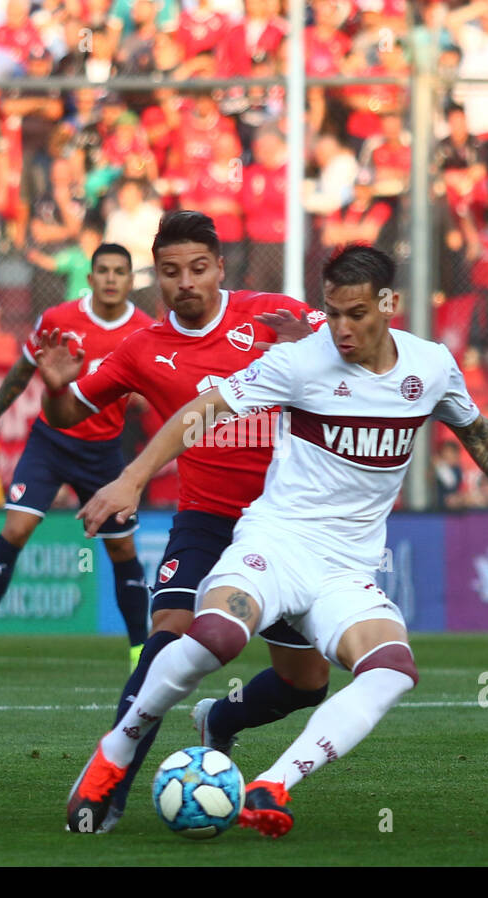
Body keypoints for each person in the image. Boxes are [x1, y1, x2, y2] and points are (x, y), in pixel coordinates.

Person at [64, 245, 488, 836]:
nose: (341, 329)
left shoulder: (430, 366)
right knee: (216, 633)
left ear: (388, 305)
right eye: (333, 312)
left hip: (347, 570)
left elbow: (474, 428)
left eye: (356, 314)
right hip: (276, 544)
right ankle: (118, 748)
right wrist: (132, 477)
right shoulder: (299, 361)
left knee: (392, 668)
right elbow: (205, 410)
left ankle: (272, 784)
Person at [33, 210, 334, 833]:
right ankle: (107, 782)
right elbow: (66, 414)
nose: (186, 282)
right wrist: (55, 391)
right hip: (205, 518)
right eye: (171, 272)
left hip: (286, 525)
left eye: (198, 268)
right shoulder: (141, 349)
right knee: (168, 634)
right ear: (157, 279)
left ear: (221, 268)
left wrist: (317, 347)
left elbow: (358, 354)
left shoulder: (274, 315)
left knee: (305, 685)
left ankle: (220, 721)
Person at [0, 243, 155, 673]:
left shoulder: (146, 331)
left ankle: (139, 651)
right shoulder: (58, 320)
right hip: (51, 443)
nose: (111, 279)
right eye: (104, 271)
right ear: (90, 278)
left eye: (120, 272)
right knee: (16, 529)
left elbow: (159, 394)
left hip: (103, 453)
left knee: (122, 549)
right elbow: (22, 371)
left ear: (131, 281)